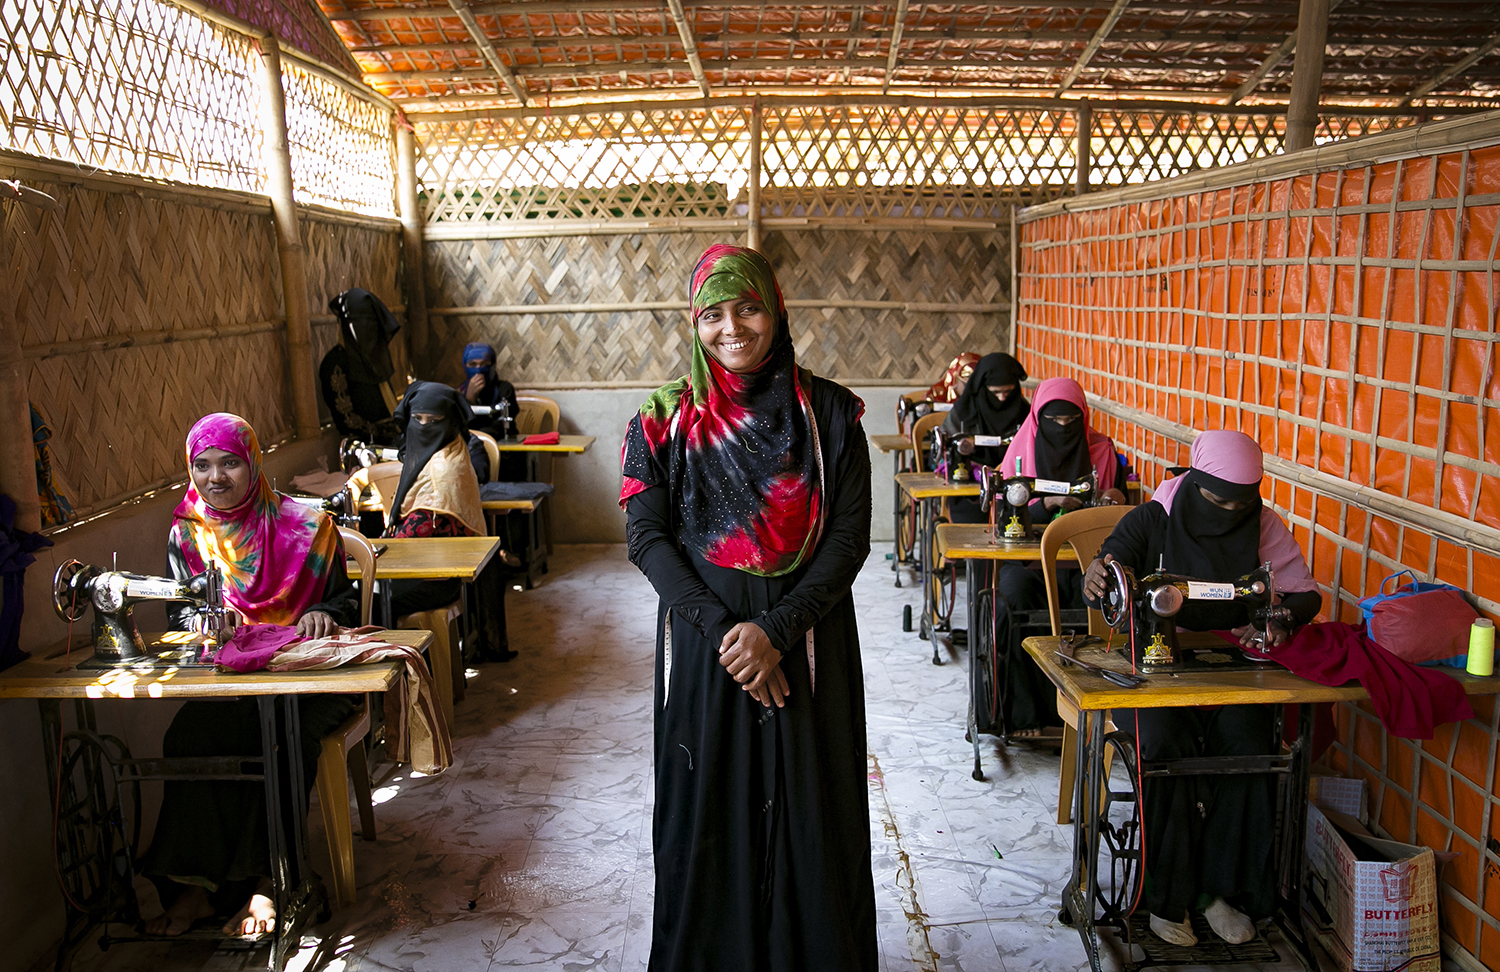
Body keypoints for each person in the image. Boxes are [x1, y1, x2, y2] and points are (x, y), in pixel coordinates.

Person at [620, 244, 876, 972]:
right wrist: (730, 633)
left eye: (749, 308)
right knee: (709, 811)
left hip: (810, 644)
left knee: (813, 816)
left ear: (777, 310)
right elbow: (646, 537)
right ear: (692, 321)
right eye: (713, 313)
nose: (732, 328)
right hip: (711, 652)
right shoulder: (662, 418)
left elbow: (851, 538)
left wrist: (777, 630)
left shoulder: (829, 414)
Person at [1081, 430, 1322, 946]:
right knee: (1166, 743)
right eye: (1216, 498)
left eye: (1241, 501)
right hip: (1153, 663)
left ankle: (1221, 891)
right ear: (1193, 483)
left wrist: (1279, 617)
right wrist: (1101, 573)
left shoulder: (1263, 524)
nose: (1229, 509)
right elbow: (1114, 560)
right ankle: (1169, 895)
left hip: (1229, 662)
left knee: (1251, 738)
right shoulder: (1154, 518)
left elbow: (1304, 595)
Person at [143, 413, 361, 937]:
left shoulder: (309, 527)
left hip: (309, 681)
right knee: (188, 738)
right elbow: (180, 616)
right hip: (239, 681)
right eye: (202, 465)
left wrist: (325, 612)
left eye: (229, 463)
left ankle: (272, 881)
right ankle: (194, 888)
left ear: (253, 463)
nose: (215, 477)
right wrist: (202, 624)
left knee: (283, 741)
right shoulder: (188, 532)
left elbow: (346, 602)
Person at [985, 377, 1126, 733]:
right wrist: (1046, 503)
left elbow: (1117, 510)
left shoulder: (1102, 452)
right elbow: (1004, 511)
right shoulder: (1021, 451)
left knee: (1104, 599)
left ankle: (1093, 705)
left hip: (1085, 558)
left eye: (1071, 422)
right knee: (1014, 596)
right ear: (1037, 418)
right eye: (1054, 422)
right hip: (1029, 560)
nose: (1063, 429)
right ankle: (1025, 715)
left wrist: (1112, 499)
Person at [384, 381, 513, 661]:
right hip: (422, 568)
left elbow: (418, 536)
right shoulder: (444, 450)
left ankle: (400, 680)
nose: (423, 427)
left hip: (439, 577)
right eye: (417, 420)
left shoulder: (444, 469)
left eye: (434, 421)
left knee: (372, 602)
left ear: (451, 422)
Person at [940, 352, 1030, 521]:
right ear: (982, 387)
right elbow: (945, 451)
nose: (1002, 398)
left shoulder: (1023, 412)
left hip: (1013, 488)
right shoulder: (963, 413)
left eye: (1008, 392)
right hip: (970, 491)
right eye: (995, 392)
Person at [319, 288, 402, 443]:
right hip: (363, 449)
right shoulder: (336, 364)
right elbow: (348, 421)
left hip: (395, 442)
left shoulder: (376, 357)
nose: (367, 328)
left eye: (371, 321)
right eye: (360, 321)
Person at [456, 342, 525, 483]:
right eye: (472, 365)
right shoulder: (460, 393)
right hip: (473, 454)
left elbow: (502, 424)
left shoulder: (505, 389)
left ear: (492, 365)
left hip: (506, 454)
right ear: (465, 366)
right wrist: (470, 399)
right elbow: (461, 425)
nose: (478, 369)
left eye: (484, 364)